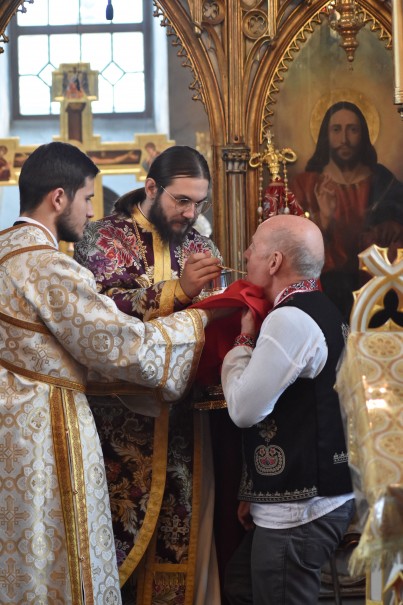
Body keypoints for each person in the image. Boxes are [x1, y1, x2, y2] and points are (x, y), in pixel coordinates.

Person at [0, 141, 217, 605]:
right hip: (48, 429)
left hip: (11, 430)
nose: (90, 210)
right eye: (86, 198)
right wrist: (196, 322)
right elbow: (118, 345)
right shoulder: (48, 267)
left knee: (26, 555)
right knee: (61, 553)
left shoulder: (5, 253)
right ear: (59, 197)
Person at [74, 145, 223, 604]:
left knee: (179, 547)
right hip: (115, 423)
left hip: (183, 425)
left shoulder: (201, 246)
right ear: (152, 187)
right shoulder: (102, 237)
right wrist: (177, 290)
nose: (190, 214)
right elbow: (97, 313)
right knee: (113, 544)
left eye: (199, 203)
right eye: (182, 200)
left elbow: (211, 320)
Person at [221, 214, 355, 605]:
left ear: (275, 261)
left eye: (254, 247)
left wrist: (242, 343)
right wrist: (256, 492)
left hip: (301, 511)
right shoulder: (321, 306)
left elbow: (244, 410)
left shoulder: (289, 319)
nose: (247, 254)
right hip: (309, 497)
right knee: (241, 586)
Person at [290, 101, 403, 320]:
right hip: (325, 292)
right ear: (326, 135)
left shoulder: (385, 182)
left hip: (377, 293)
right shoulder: (305, 185)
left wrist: (391, 229)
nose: (344, 139)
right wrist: (324, 218)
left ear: (364, 134)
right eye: (336, 129)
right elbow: (295, 247)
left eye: (352, 129)